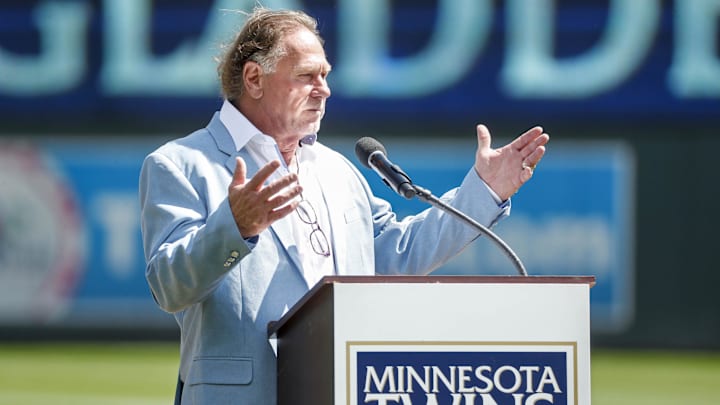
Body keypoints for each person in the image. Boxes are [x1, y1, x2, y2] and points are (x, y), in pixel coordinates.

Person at [139, 7, 549, 405]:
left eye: (326, 75)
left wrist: (483, 192)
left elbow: (396, 254)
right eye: (306, 76)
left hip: (341, 388)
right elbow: (169, 286)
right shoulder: (180, 164)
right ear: (254, 78)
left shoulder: (336, 170)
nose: (325, 89)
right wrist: (236, 225)